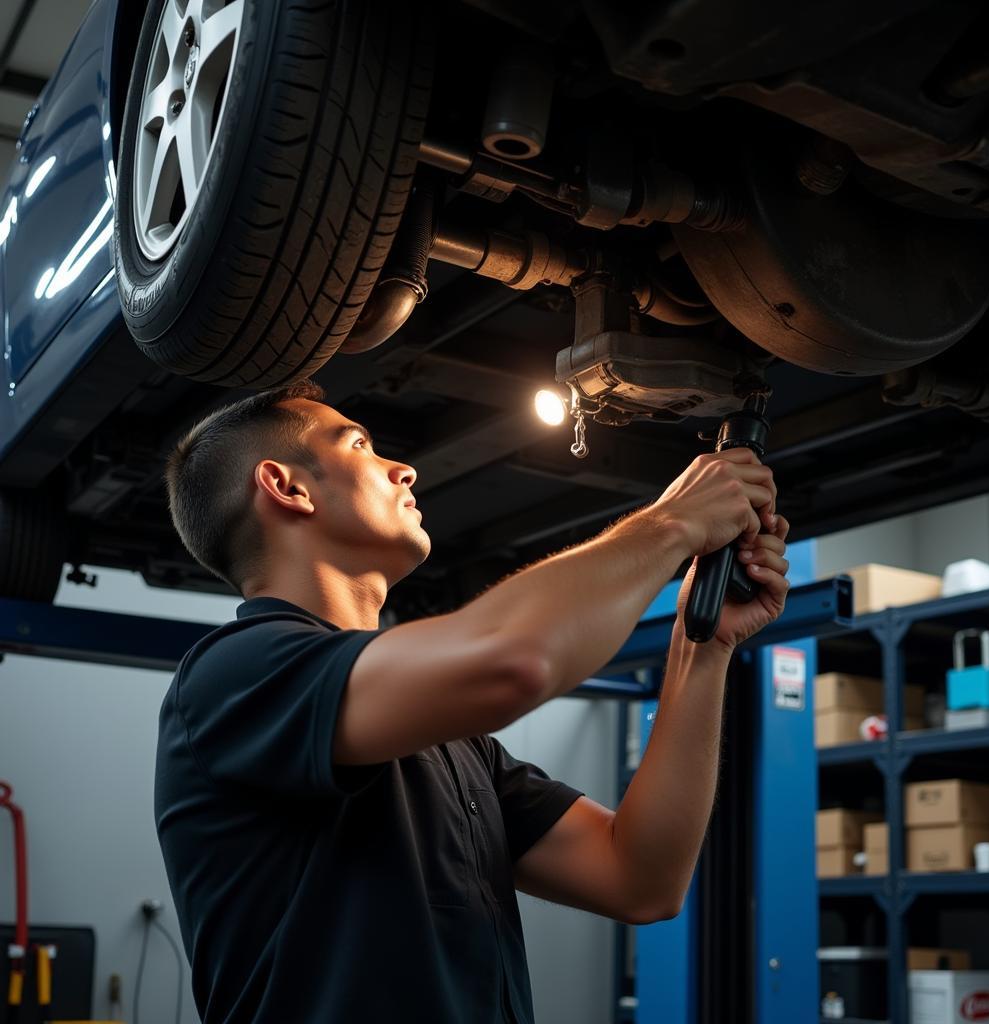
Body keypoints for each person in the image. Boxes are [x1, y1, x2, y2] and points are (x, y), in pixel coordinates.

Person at [154, 378, 790, 1024]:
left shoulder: (449, 744)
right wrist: (674, 521)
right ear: (287, 487)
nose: (403, 469)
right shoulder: (230, 677)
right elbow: (516, 658)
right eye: (361, 446)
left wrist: (701, 645)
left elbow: (641, 876)